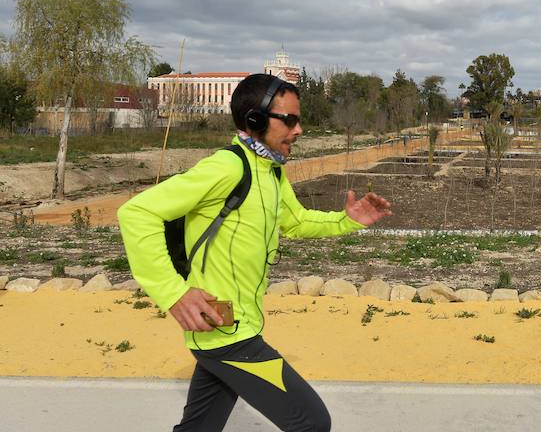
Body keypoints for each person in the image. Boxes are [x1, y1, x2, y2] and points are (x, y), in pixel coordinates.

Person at [118, 73, 392, 431]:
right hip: (229, 335)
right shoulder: (228, 167)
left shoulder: (270, 172)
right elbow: (137, 213)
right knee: (311, 422)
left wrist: (347, 220)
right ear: (255, 121)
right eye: (289, 120)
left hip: (228, 325)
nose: (299, 130)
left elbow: (294, 221)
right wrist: (173, 294)